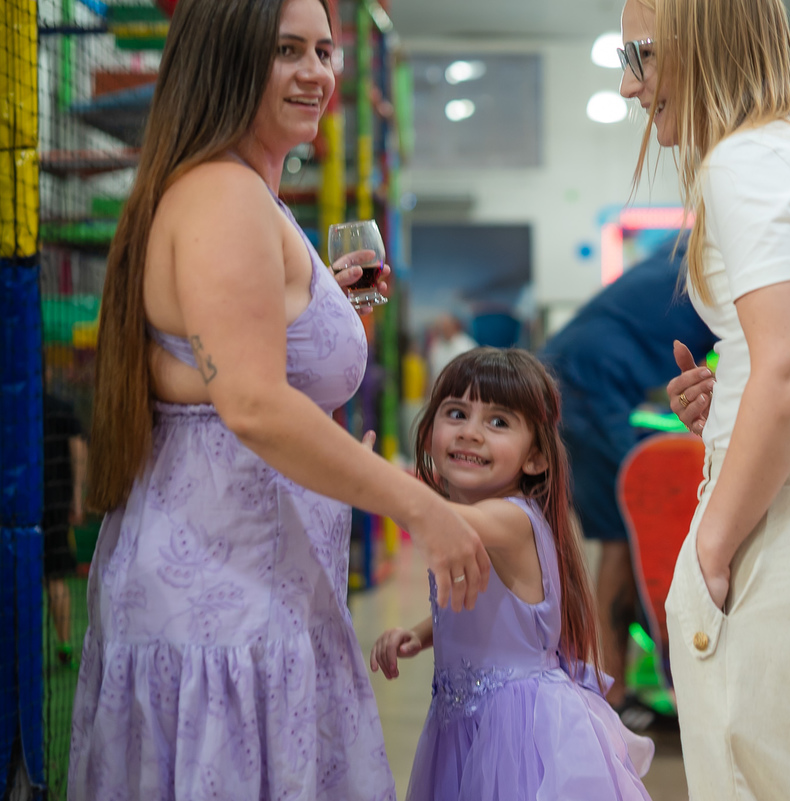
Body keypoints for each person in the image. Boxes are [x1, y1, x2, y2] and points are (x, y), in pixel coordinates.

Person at [70, 0, 489, 797]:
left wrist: (327, 310)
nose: (318, 73)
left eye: (326, 51)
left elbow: (229, 369)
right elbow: (255, 405)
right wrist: (423, 508)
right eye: (287, 51)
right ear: (226, 60)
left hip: (249, 590)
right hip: (226, 600)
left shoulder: (236, 192)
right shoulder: (224, 195)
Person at [618, 0, 790, 796]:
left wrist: (709, 548)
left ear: (700, 41)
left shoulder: (745, 159)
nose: (631, 85)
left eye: (639, 54)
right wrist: (733, 401)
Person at [370, 348, 654, 800]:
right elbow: (481, 606)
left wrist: (364, 477)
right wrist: (420, 635)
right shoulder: (478, 518)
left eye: (498, 422)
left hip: (519, 732)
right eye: (457, 413)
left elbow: (433, 517)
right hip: (463, 721)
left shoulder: (511, 519)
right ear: (429, 433)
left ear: (536, 458)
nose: (470, 433)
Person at [540, 234, 716, 716]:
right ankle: (609, 689)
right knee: (627, 530)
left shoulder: (676, 254)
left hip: (570, 374)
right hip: (588, 385)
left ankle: (608, 681)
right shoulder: (718, 271)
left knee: (622, 531)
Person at [42, 387, 87, 666]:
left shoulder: (14, 405)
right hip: (54, 503)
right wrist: (76, 497)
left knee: (17, 578)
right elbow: (78, 446)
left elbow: (77, 445)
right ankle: (65, 644)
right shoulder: (59, 405)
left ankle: (60, 645)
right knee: (55, 578)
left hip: (21, 505)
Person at [427, 313, 478, 380]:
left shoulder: (467, 345)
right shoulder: (436, 345)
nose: (443, 329)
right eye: (441, 327)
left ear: (454, 326)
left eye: (446, 326)